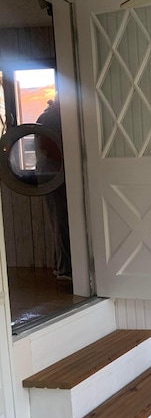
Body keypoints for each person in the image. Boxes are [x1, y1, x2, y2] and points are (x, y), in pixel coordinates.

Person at [36, 96, 72, 281]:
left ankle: (63, 266)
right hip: (52, 175)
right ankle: (64, 269)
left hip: (53, 174)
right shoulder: (50, 119)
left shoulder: (51, 117)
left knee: (62, 221)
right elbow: (50, 150)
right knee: (61, 221)